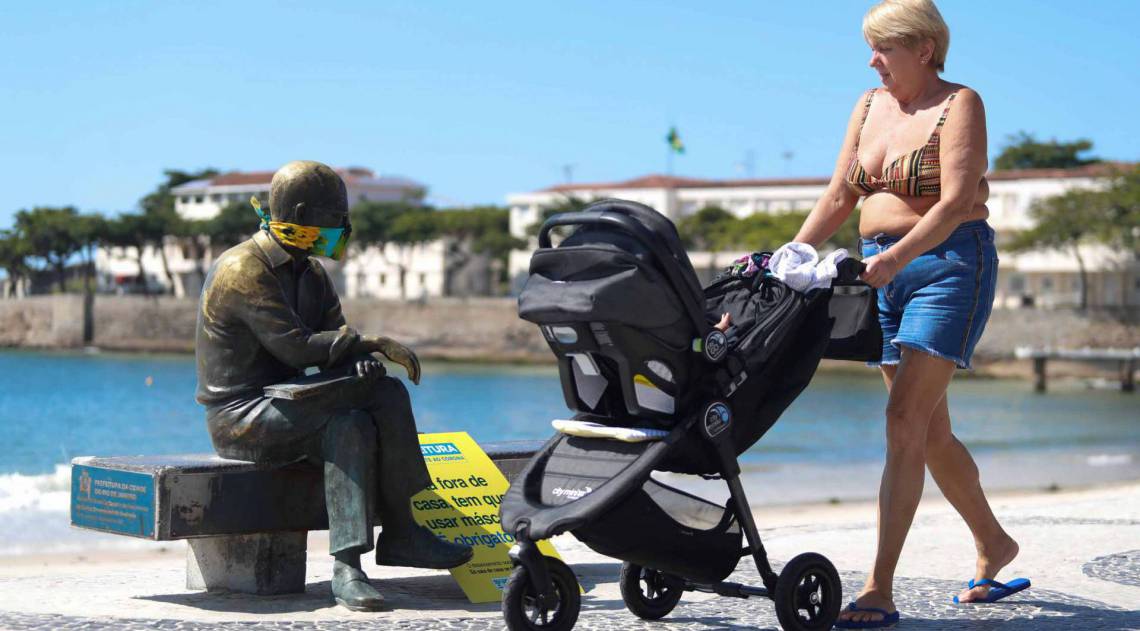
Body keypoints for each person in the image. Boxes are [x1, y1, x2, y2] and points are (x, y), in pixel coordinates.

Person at [790, 1, 1025, 626]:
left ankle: (878, 587)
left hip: (949, 269)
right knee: (929, 432)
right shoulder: (868, 105)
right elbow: (840, 193)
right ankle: (995, 543)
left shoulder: (961, 103)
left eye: (884, 48)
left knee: (902, 421)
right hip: (879, 273)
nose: (873, 61)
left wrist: (894, 257)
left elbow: (952, 202)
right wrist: (790, 254)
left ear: (924, 48)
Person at [195, 160, 473, 612]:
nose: (344, 227)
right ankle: (378, 548)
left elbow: (335, 339)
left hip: (292, 402)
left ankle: (374, 551)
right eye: (337, 217)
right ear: (304, 213)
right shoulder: (244, 268)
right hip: (241, 416)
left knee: (368, 409)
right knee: (368, 410)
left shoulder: (312, 272)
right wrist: (372, 343)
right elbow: (297, 348)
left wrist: (360, 361)